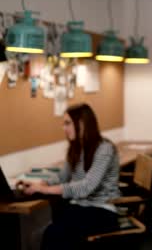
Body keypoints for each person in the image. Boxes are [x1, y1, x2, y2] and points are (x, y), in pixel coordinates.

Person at [18, 103, 121, 250]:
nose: (64, 128)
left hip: (102, 210)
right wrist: (40, 184)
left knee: (53, 234)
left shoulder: (104, 149)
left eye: (68, 123)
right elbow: (62, 177)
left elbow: (86, 187)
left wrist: (46, 190)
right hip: (80, 207)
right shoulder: (76, 148)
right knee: (51, 232)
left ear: (82, 123)